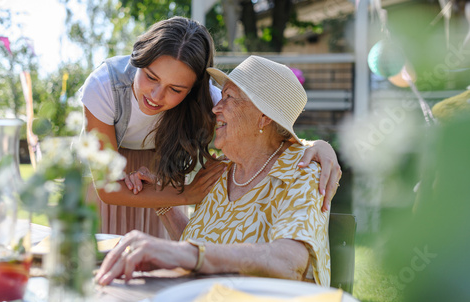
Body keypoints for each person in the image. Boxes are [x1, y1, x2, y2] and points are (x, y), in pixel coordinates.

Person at [80, 17, 341, 238]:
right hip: (105, 176)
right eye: (150, 76)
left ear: (193, 89)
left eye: (176, 89)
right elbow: (107, 188)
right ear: (138, 57)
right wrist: (186, 196)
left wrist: (319, 146)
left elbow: (267, 130)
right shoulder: (105, 86)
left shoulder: (211, 100)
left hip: (155, 176)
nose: (157, 96)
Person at [96, 56, 330, 287]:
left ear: (264, 117)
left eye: (229, 97)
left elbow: (289, 262)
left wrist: (183, 253)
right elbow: (196, 246)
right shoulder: (222, 168)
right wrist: (162, 200)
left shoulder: (301, 171)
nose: (216, 107)